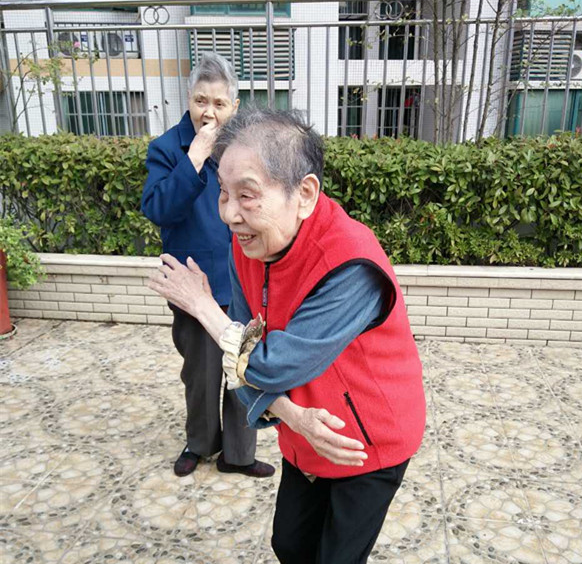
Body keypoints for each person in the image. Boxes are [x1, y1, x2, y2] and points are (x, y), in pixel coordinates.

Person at [148, 108, 426, 563]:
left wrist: (203, 307)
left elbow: (267, 364)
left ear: (305, 194)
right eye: (223, 193)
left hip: (366, 442)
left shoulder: (350, 264)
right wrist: (293, 418)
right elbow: (240, 358)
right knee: (290, 545)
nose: (229, 214)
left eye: (247, 195)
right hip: (304, 428)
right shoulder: (249, 245)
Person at [141, 53, 274, 479]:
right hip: (193, 286)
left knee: (244, 370)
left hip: (244, 282)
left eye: (219, 103)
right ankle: (200, 444)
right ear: (189, 99)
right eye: (201, 101)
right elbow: (158, 209)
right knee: (200, 375)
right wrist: (194, 158)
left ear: (234, 105)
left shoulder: (246, 149)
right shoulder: (168, 149)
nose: (209, 113)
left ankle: (239, 454)